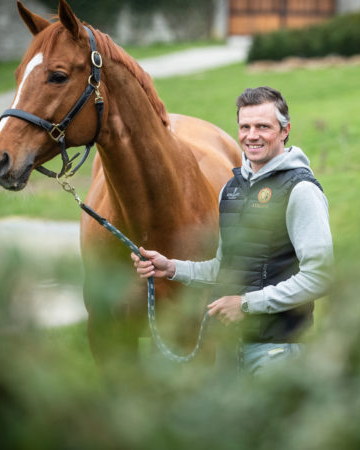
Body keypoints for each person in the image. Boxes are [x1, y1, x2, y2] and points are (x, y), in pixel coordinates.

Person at [131, 86, 333, 375]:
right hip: (228, 351)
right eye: (245, 126)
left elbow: (320, 277)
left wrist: (246, 305)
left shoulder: (300, 190)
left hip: (278, 352)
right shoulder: (232, 189)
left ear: (285, 130)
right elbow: (226, 269)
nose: (252, 135)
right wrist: (172, 268)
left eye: (263, 127)